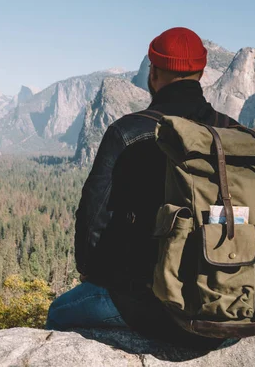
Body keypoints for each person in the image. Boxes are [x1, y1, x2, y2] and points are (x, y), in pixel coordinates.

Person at [45, 27, 238, 341]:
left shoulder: (128, 131)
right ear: (201, 73)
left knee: (59, 312)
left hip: (149, 305)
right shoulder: (232, 133)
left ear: (153, 73)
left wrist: (90, 274)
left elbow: (94, 217)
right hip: (225, 301)